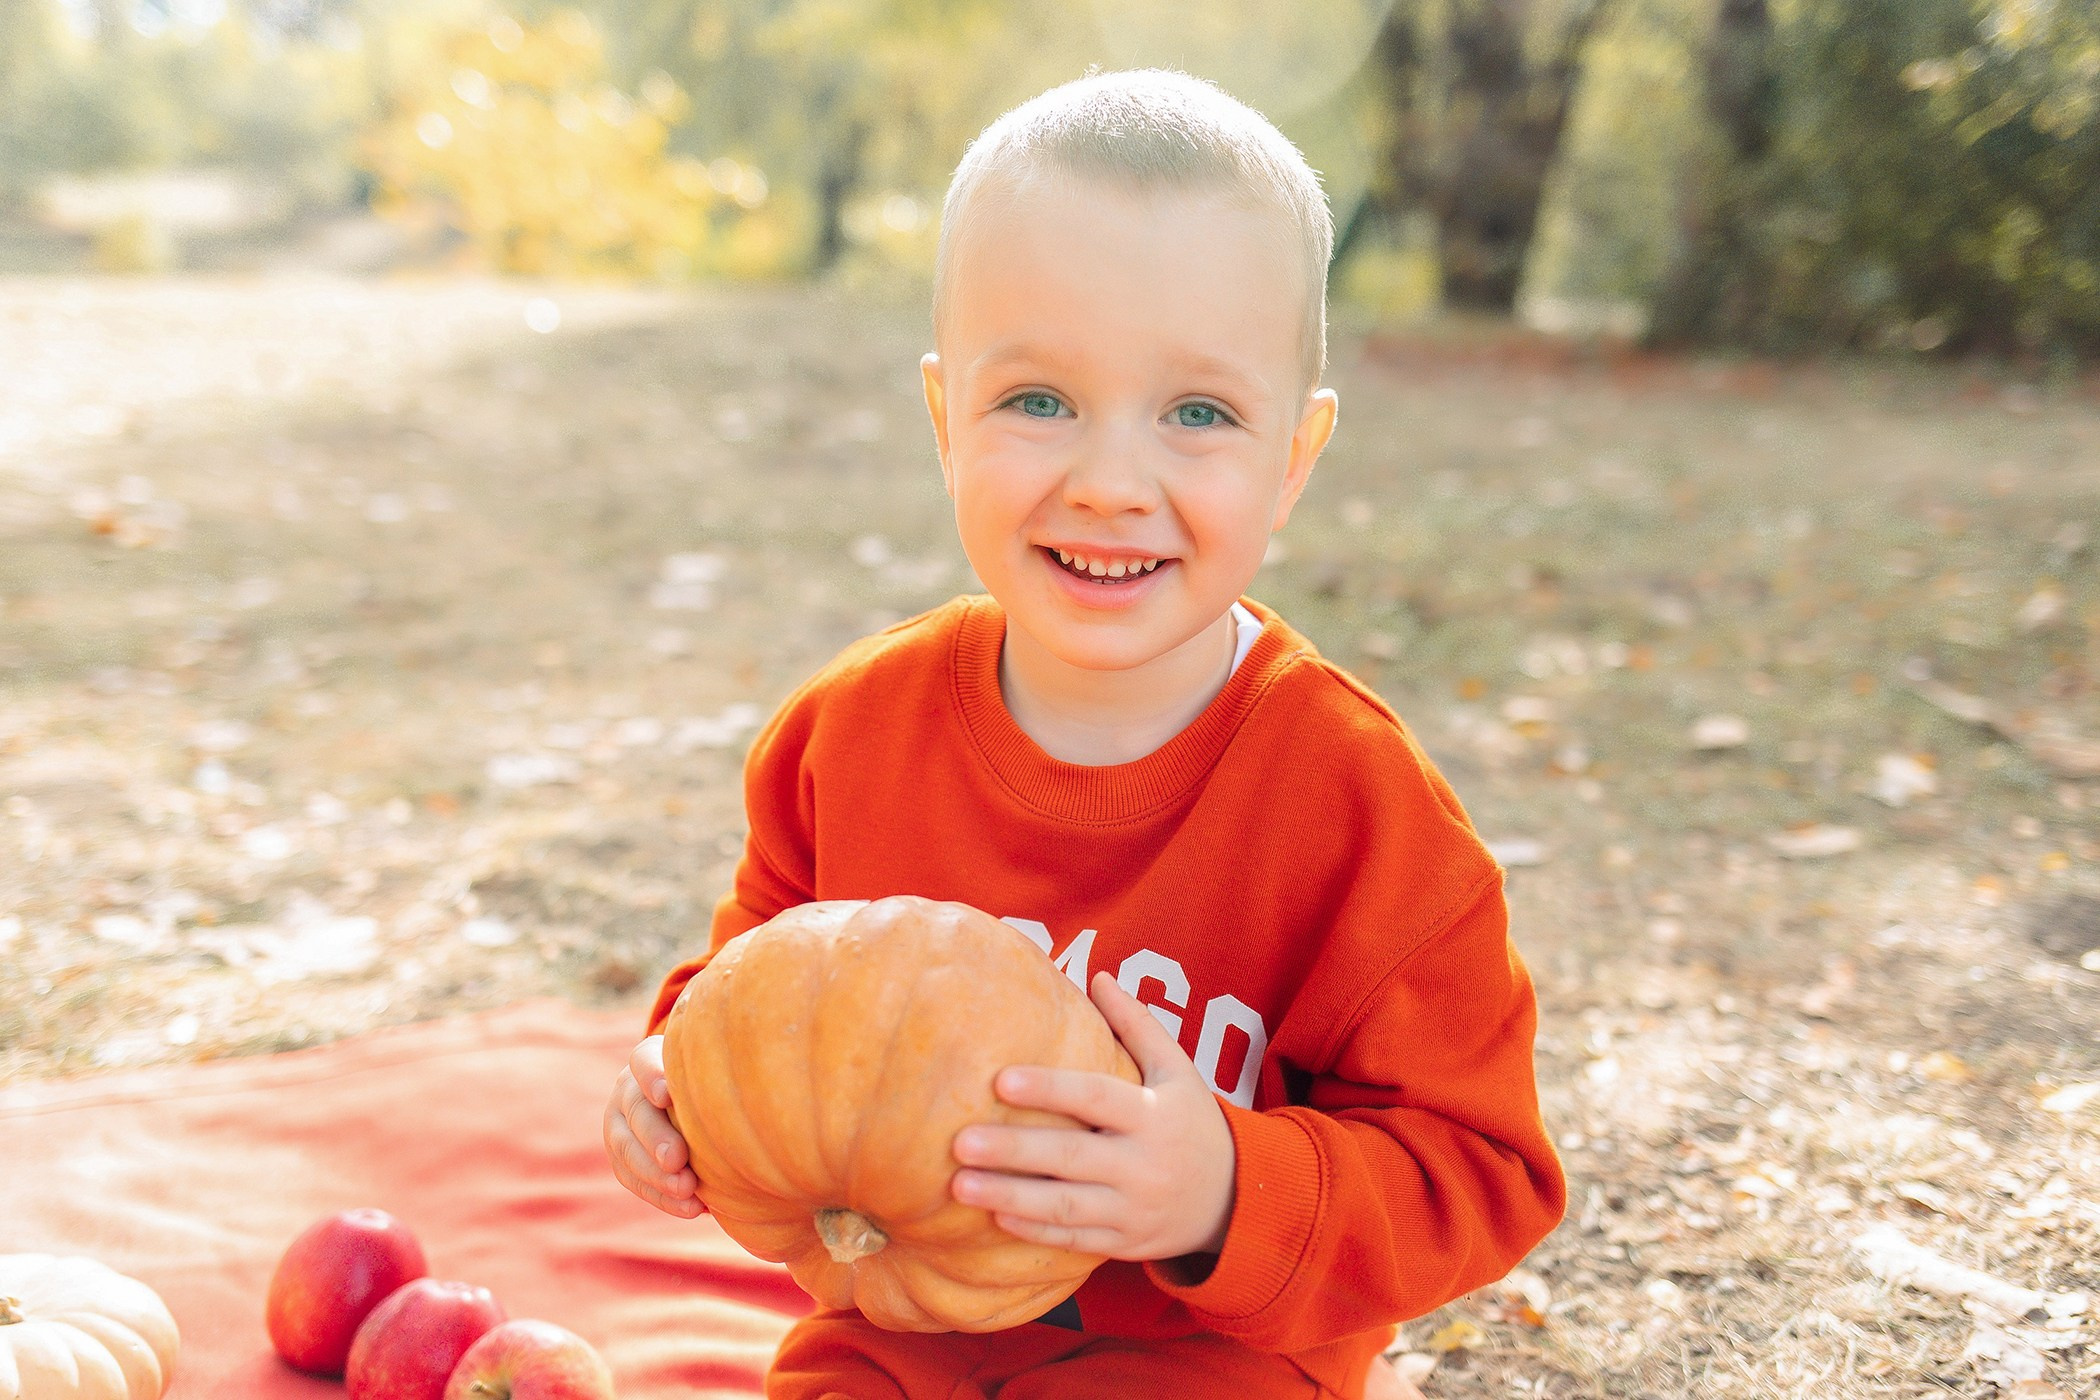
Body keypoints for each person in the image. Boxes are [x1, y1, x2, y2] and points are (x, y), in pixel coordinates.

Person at [603, 68, 1564, 1400]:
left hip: (1210, 1358)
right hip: (904, 1327)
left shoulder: (1354, 805)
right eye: (1039, 401)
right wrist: (674, 1086)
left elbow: (1483, 1173)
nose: (1112, 484)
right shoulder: (854, 733)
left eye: (1199, 416)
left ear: (1294, 458)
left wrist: (1224, 1189)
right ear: (946, 421)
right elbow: (756, 993)